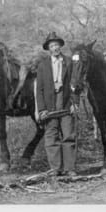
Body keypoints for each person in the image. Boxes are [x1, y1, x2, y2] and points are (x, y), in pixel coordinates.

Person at [36, 32, 78, 176]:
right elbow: (39, 89)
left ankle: (69, 168)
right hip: (49, 106)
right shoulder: (43, 65)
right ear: (48, 48)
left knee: (68, 136)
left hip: (65, 103)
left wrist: (74, 103)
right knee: (51, 137)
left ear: (60, 46)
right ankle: (56, 168)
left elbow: (74, 84)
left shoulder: (68, 62)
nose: (55, 48)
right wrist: (41, 109)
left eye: (57, 45)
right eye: (52, 46)